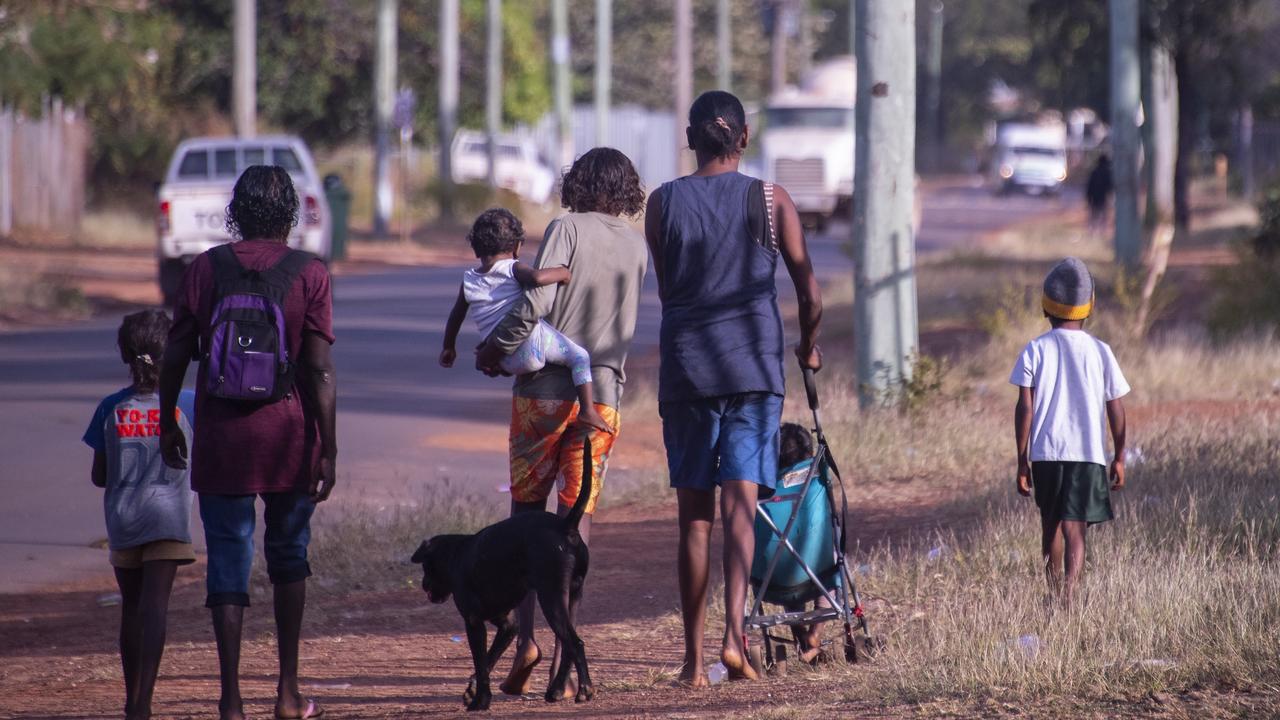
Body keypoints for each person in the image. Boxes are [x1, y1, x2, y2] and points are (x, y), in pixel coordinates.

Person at [645, 90, 823, 686]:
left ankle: (693, 664)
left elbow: (669, 292)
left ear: (692, 140)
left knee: (694, 520)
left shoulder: (661, 203)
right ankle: (734, 639)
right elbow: (809, 290)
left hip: (688, 369)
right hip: (752, 371)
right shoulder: (772, 201)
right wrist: (809, 345)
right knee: (741, 508)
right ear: (743, 138)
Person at [159, 165, 337, 720]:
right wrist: (328, 446)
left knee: (228, 560)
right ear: (290, 212)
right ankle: (287, 691)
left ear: (236, 210)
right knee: (289, 555)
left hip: (223, 436)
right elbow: (319, 370)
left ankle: (230, 698)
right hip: (289, 434)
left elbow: (177, 350)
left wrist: (168, 418)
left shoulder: (206, 269)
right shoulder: (309, 272)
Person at [474, 147, 648, 698]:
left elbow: (537, 303)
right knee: (574, 525)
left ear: (579, 183)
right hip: (604, 397)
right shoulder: (635, 241)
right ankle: (565, 669)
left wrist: (494, 347)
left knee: (527, 519)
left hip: (544, 395)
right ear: (626, 190)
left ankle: (527, 640)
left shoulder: (565, 227)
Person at [84, 309, 196, 720]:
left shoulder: (110, 407)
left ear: (125, 355)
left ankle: (131, 700)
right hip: (168, 519)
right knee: (155, 607)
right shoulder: (186, 404)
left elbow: (99, 476)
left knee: (131, 608)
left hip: (124, 521)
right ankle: (142, 703)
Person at [1011, 257, 1128, 606]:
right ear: (1089, 307)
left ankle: (1053, 593)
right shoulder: (1100, 352)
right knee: (1075, 528)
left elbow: (1025, 409)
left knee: (1051, 525)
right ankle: (1070, 596)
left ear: (1045, 307)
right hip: (1087, 453)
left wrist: (1022, 461)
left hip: (1046, 453)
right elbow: (1116, 408)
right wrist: (1120, 455)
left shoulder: (1035, 349)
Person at [440, 207, 612, 434]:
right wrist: (563, 272)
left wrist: (448, 347)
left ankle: (501, 367)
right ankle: (588, 410)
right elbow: (537, 278)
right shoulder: (511, 268)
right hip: (531, 345)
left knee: (491, 349)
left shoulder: (469, 280)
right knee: (580, 357)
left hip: (504, 360)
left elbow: (456, 315)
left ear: (476, 248)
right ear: (516, 247)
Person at [1085, 153, 1112, 233]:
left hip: (1094, 197)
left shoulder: (1094, 172)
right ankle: (1102, 231)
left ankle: (1092, 230)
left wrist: (1088, 197)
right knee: (1103, 216)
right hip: (1102, 198)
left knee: (1093, 215)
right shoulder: (1107, 173)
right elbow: (1110, 186)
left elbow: (1089, 186)